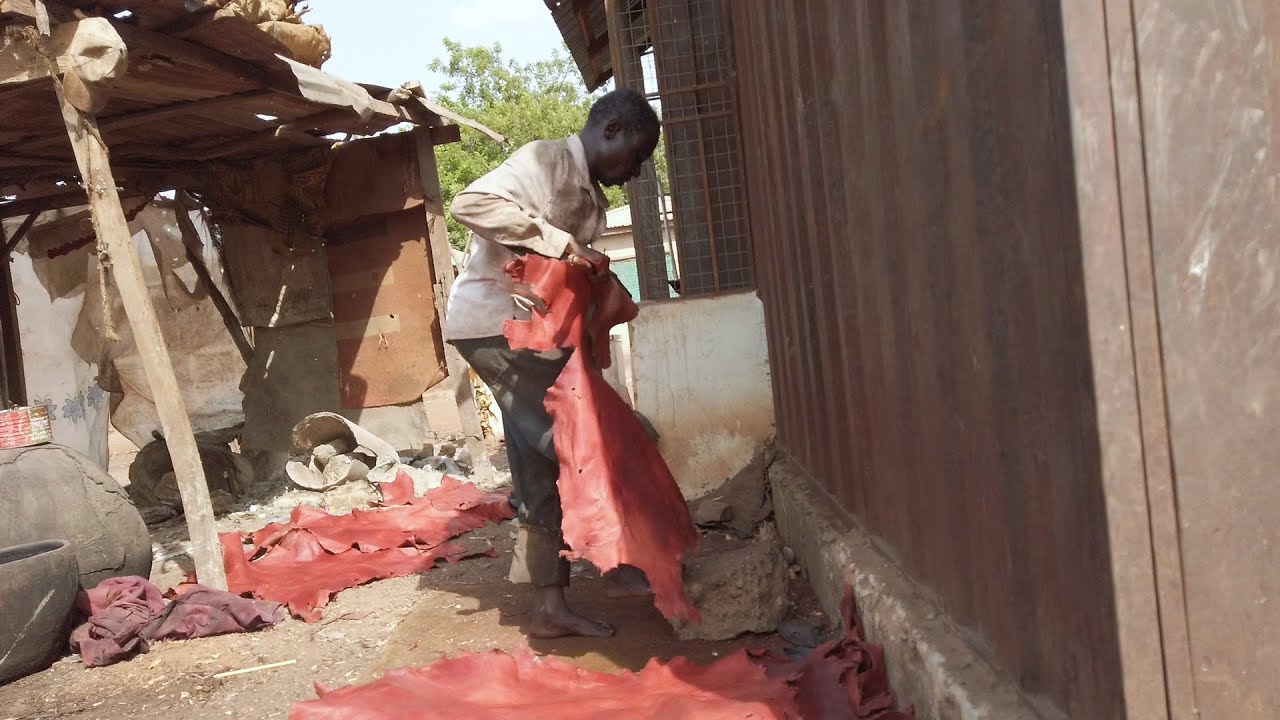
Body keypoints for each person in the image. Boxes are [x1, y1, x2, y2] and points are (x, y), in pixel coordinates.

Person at [445, 89, 661, 639]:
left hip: (533, 335)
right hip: (500, 328)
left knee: (541, 462)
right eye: (634, 157)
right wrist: (563, 245)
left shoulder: (589, 191)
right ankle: (621, 561)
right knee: (594, 443)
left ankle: (550, 605)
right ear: (610, 127)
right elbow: (469, 204)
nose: (634, 172)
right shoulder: (546, 162)